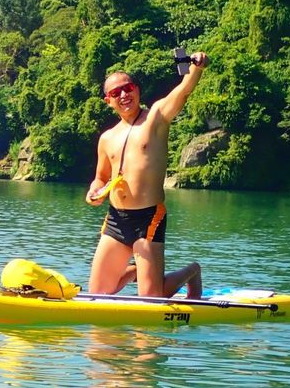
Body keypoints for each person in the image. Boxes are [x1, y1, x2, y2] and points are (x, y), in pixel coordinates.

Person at [85, 53, 209, 298]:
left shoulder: (156, 118)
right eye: (116, 93)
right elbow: (100, 176)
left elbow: (183, 91)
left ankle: (192, 271)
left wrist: (197, 68)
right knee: (97, 294)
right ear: (108, 101)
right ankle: (137, 271)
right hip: (116, 219)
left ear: (137, 90)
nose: (123, 95)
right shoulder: (107, 138)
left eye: (128, 88)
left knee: (151, 299)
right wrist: (94, 191)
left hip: (148, 218)